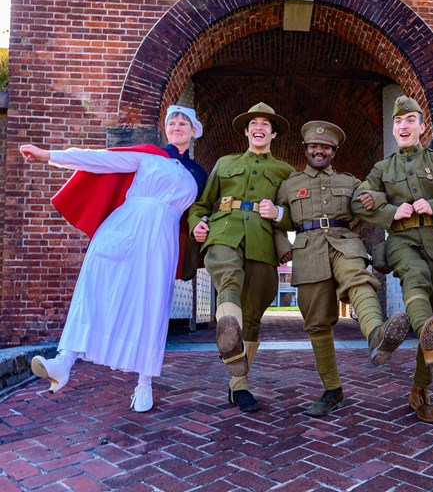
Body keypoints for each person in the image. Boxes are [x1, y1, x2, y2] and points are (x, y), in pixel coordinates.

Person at [20, 105, 207, 412]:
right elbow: (99, 159)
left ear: (193, 130)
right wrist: (50, 156)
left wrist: (202, 225)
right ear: (166, 129)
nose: (177, 125)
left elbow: (200, 210)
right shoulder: (148, 156)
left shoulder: (198, 175)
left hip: (162, 239)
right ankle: (63, 362)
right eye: (172, 121)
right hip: (123, 227)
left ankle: (144, 383)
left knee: (152, 302)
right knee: (94, 287)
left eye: (183, 122)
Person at [351, 96, 433, 423]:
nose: (403, 126)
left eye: (409, 121)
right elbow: (358, 202)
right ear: (393, 129)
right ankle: (431, 341)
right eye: (398, 122)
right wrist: (393, 211)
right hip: (402, 240)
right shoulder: (382, 169)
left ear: (422, 127)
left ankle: (419, 389)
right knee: (415, 278)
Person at [275, 121, 411, 417]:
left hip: (345, 242)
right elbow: (276, 220)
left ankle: (377, 336)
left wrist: (374, 199)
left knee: (359, 280)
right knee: (317, 322)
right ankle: (332, 390)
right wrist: (279, 246)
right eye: (314, 146)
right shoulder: (290, 184)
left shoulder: (350, 182)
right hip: (308, 250)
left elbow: (373, 203)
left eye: (326, 147)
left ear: (334, 152)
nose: (319, 151)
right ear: (306, 150)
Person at [188, 102, 294, 413]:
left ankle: (238, 385)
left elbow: (297, 217)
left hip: (261, 242)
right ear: (247, 131)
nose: (259, 128)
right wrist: (198, 223)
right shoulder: (224, 163)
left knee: (253, 317)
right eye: (254, 123)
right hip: (224, 233)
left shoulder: (284, 171)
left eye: (265, 124)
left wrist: (278, 213)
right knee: (228, 278)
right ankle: (229, 332)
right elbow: (201, 204)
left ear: (273, 134)